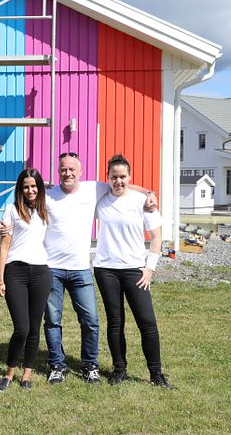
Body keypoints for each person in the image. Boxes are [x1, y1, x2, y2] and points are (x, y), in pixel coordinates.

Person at [0, 152, 156, 385]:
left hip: (81, 269)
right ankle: (57, 365)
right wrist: (1, 226)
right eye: (63, 169)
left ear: (80, 172)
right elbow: (20, 208)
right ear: (58, 172)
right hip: (51, 269)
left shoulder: (93, 189)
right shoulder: (46, 195)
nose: (68, 173)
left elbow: (122, 183)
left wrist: (149, 193)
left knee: (91, 320)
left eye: (72, 169)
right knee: (52, 321)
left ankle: (90, 365)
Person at [93, 154, 172, 389]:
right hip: (106, 269)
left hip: (135, 270)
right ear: (107, 178)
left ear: (130, 177)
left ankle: (156, 373)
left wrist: (150, 268)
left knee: (147, 322)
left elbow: (156, 237)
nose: (118, 181)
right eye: (114, 177)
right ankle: (119, 369)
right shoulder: (100, 200)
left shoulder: (142, 201)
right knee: (115, 321)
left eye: (123, 176)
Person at [0, 169, 51, 392]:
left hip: (40, 273)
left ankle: (27, 375)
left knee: (34, 328)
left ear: (40, 187)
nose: (30, 190)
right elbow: (5, 246)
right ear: (20, 188)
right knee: (22, 328)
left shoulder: (45, 210)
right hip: (15, 272)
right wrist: (0, 279)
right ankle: (9, 373)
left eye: (34, 186)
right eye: (26, 186)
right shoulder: (11, 210)